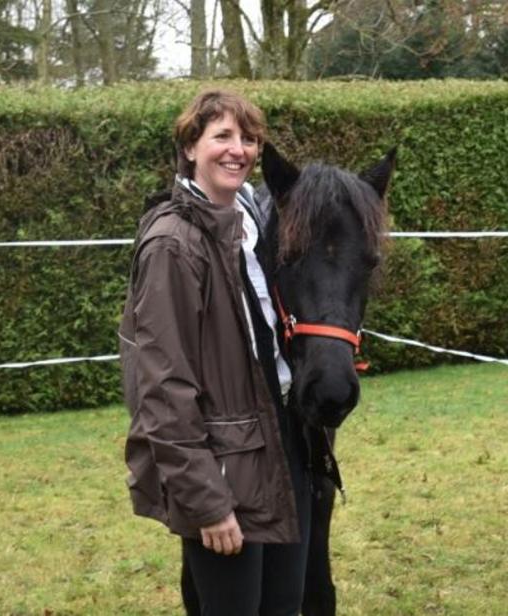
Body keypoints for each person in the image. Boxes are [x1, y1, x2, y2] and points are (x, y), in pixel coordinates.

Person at [118, 89, 311, 616]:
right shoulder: (172, 246)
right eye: (221, 136)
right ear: (189, 147)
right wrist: (207, 502)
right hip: (224, 473)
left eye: (248, 138)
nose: (238, 150)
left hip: (280, 448)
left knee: (283, 608)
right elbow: (161, 389)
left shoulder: (251, 225)